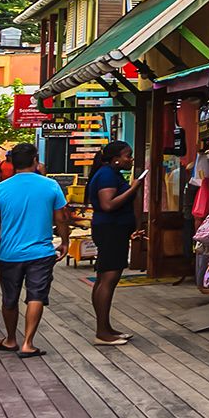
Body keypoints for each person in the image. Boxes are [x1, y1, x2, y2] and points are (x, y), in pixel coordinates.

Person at [0, 143, 67, 359]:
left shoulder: (0, 189)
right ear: (35, 161)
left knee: (9, 298)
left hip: (9, 253)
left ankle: (11, 339)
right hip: (41, 252)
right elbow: (60, 218)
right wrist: (65, 241)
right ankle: (28, 342)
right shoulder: (51, 185)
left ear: (12, 163)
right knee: (36, 295)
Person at [86, 141, 143, 346]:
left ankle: (106, 327)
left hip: (115, 230)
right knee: (108, 279)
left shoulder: (111, 174)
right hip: (110, 230)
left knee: (104, 278)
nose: (131, 159)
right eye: (128, 155)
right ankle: (102, 331)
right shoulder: (107, 175)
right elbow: (108, 204)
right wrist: (134, 188)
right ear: (115, 158)